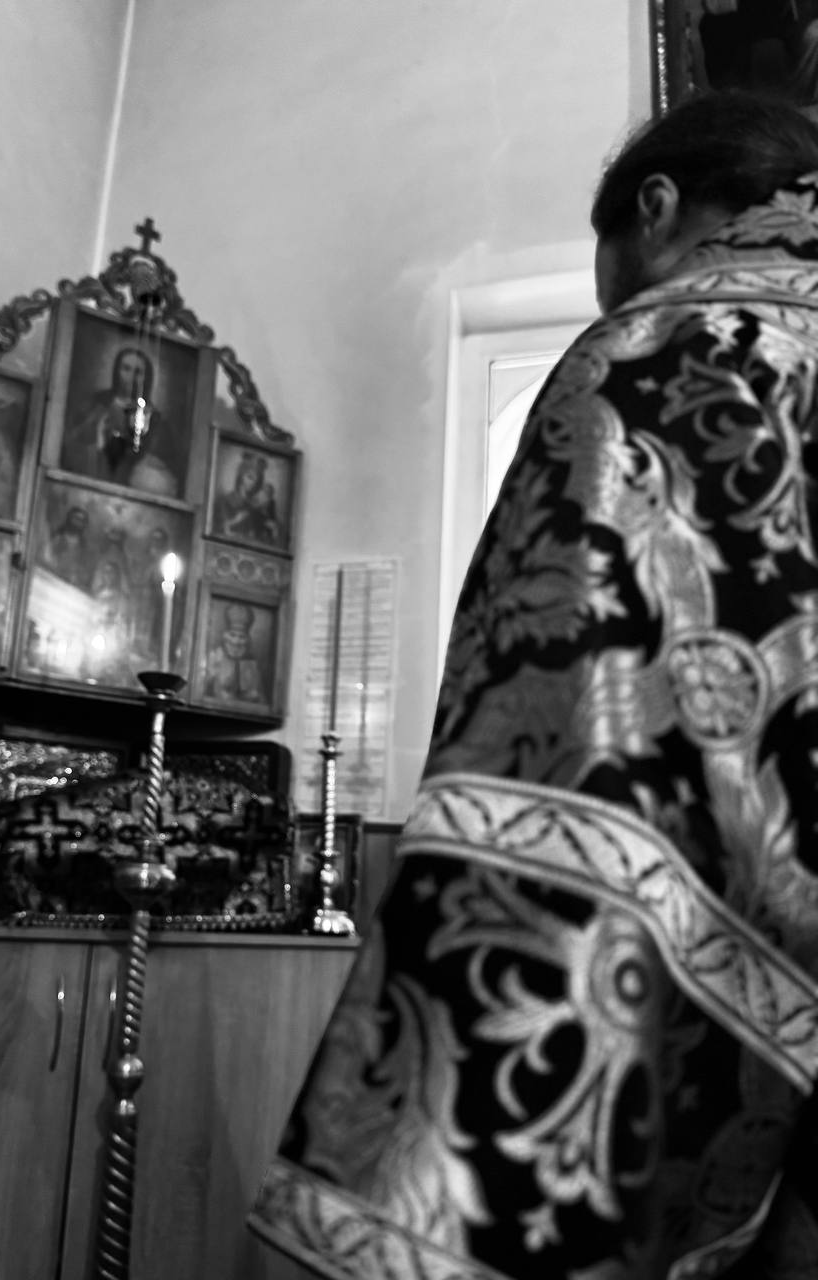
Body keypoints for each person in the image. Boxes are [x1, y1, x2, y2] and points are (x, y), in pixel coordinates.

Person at [249, 93, 818, 1278]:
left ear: (655, 208)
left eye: (612, 276)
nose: (615, 303)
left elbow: (570, 721)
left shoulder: (669, 346)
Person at [61, 346, 182, 497]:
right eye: (126, 369)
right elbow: (71, 446)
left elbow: (164, 467)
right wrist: (98, 441)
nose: (131, 377)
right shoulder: (96, 405)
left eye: (138, 372)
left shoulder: (156, 420)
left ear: (146, 378)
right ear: (116, 371)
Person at [203, 602, 266, 704]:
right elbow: (200, 689)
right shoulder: (215, 657)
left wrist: (253, 694)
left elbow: (258, 700)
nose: (236, 642)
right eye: (232, 635)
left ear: (248, 640)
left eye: (241, 637)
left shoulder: (250, 662)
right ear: (225, 636)